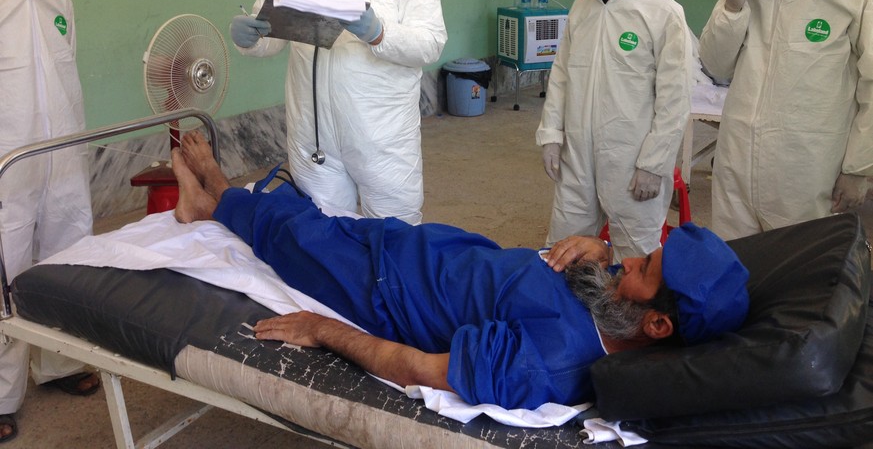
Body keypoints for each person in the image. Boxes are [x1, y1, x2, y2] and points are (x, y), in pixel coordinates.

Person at [171, 131, 749, 410]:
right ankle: (225, 197)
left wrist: (324, 331)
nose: (625, 259)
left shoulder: (549, 362)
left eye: (642, 268)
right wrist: (594, 255)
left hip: (384, 290)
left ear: (657, 326)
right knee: (318, 218)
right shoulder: (615, 304)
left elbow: (418, 368)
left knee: (298, 238)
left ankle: (213, 197)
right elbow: (603, 270)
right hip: (426, 248)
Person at [230, 0, 446, 225]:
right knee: (322, 242)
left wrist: (379, 34)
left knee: (394, 244)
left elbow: (431, 42)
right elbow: (273, 35)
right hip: (314, 138)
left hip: (383, 138)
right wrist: (250, 38)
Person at [698, 0, 873, 239]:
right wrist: (732, 7)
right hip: (737, 160)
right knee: (736, 269)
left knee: (799, 275)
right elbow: (715, 65)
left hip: (807, 169)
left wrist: (859, 167)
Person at [0, 0, 100, 442]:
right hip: (8, 168)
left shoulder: (59, 0)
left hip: (61, 158)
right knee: (5, 277)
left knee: (67, 260)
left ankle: (60, 364)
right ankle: (0, 394)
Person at [537, 0, 692, 261]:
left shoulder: (662, 14)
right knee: (564, 252)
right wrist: (550, 133)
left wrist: (654, 163)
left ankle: (628, 319)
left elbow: (674, 99)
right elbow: (561, 75)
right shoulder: (581, 9)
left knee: (634, 262)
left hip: (631, 162)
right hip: (577, 157)